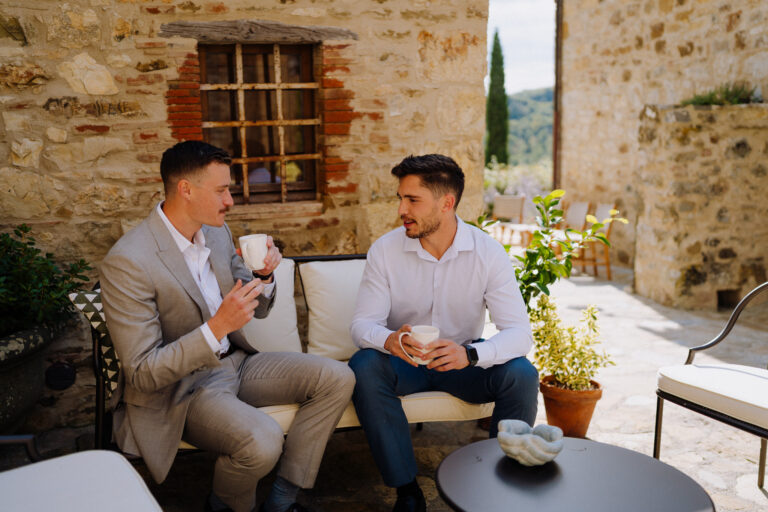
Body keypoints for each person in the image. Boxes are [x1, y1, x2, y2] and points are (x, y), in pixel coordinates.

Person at [100, 141, 355, 512]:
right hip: (183, 389)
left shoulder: (216, 232)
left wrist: (265, 277)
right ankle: (225, 505)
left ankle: (283, 500)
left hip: (237, 362)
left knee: (338, 378)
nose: (230, 200)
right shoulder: (128, 262)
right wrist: (216, 326)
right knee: (263, 441)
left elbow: (256, 304)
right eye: (221, 190)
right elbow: (142, 373)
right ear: (185, 189)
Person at [349, 154, 539, 512]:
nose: (402, 209)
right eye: (400, 198)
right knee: (364, 365)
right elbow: (361, 325)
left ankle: (502, 484)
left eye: (413, 200)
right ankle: (407, 491)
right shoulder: (385, 251)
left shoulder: (488, 252)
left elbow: (519, 333)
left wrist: (470, 355)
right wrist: (389, 340)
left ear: (447, 203)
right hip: (404, 363)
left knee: (522, 374)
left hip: (463, 364)